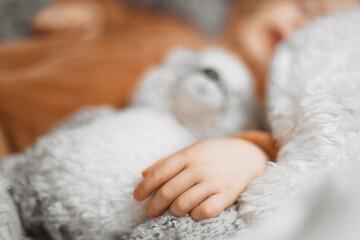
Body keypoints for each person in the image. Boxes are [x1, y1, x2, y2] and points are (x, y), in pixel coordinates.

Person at [0, 0, 358, 222]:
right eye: (303, 7)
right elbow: (122, 18)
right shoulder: (180, 29)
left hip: (26, 157)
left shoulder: (258, 108)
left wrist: (249, 152)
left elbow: (285, 159)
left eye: (314, 28)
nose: (299, 25)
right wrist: (91, 12)